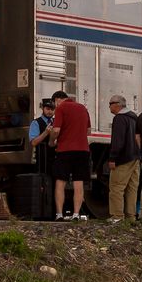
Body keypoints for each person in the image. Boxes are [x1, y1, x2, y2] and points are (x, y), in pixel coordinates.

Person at [46, 90, 92, 220]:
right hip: (83, 150)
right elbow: (88, 131)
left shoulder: (61, 108)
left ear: (57, 100)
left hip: (65, 150)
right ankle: (76, 214)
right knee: (78, 182)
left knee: (60, 182)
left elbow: (56, 130)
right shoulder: (83, 108)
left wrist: (51, 141)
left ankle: (59, 214)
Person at [104, 95, 142, 221]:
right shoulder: (134, 117)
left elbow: (118, 141)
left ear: (117, 104)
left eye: (110, 103)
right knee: (132, 188)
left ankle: (117, 216)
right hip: (135, 157)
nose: (109, 106)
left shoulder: (120, 119)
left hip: (123, 158)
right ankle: (131, 216)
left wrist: (112, 158)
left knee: (116, 187)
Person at [28, 97, 58, 219]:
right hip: (42, 157)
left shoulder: (57, 122)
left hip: (55, 157)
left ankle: (55, 212)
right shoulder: (36, 123)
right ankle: (42, 213)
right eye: (47, 108)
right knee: (43, 184)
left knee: (56, 184)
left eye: (52, 109)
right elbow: (34, 142)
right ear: (43, 108)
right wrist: (46, 132)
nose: (50, 111)